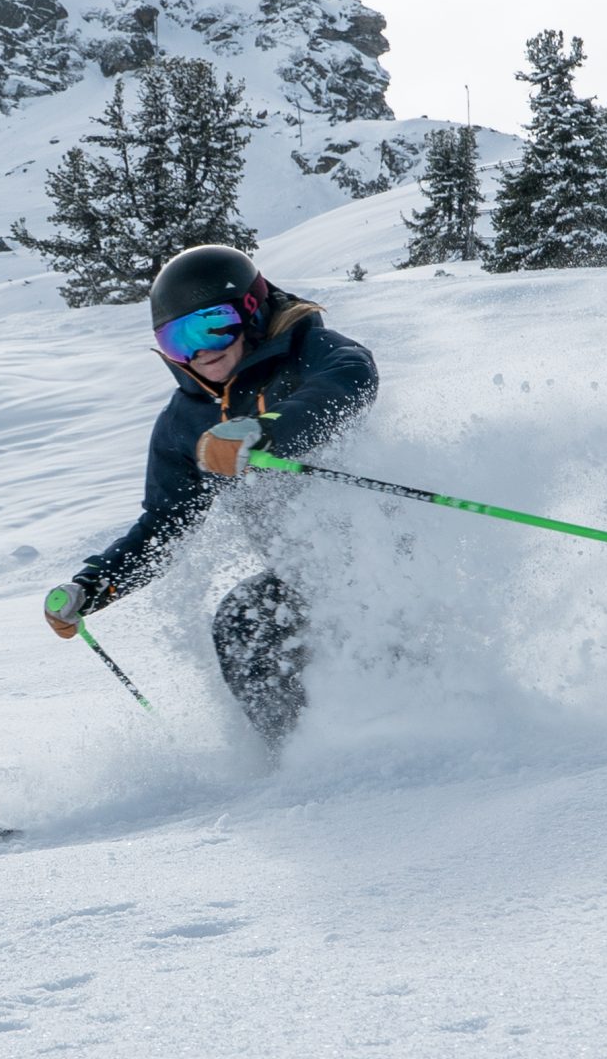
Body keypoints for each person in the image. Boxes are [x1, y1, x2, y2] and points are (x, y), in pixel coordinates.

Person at [44, 244, 378, 748]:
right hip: (303, 580)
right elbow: (164, 526)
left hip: (389, 565)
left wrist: (265, 431)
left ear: (251, 309)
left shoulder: (307, 351)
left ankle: (433, 727)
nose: (200, 351)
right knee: (245, 621)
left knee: (382, 624)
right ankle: (297, 761)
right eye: (179, 340)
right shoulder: (186, 422)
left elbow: (352, 378)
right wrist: (94, 586)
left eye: (212, 326)